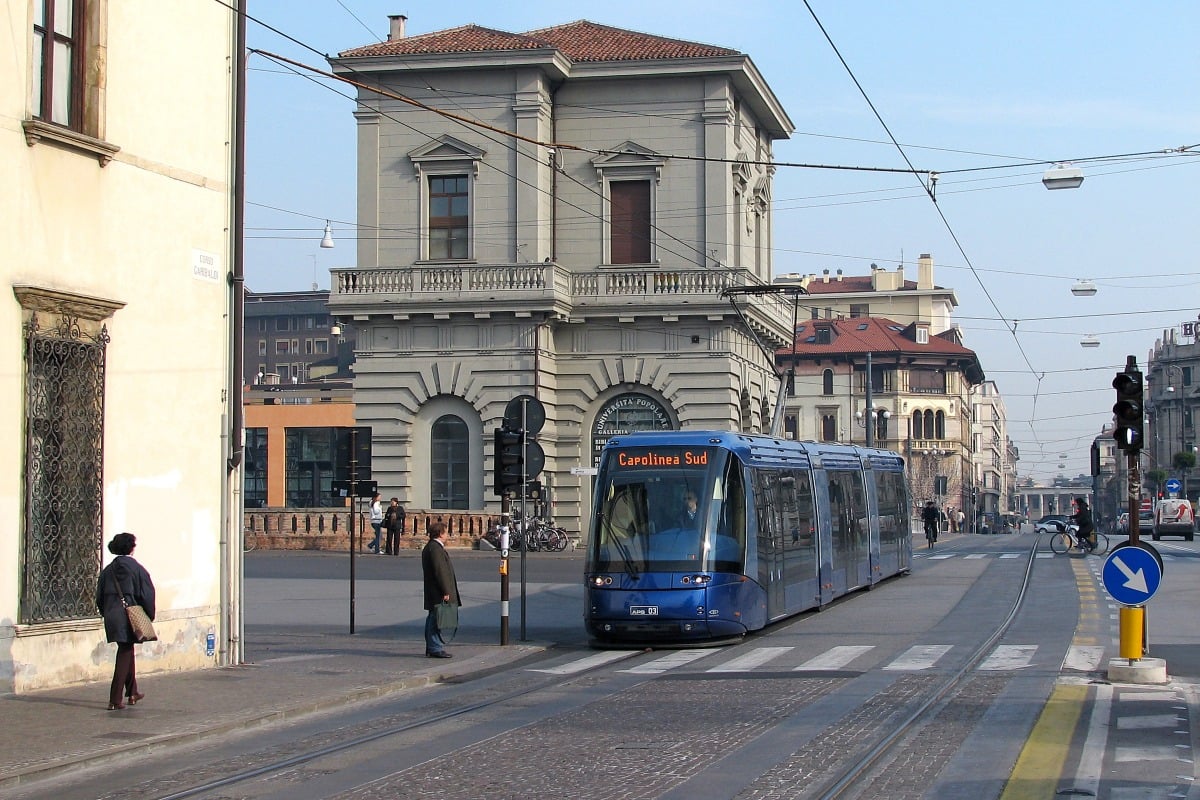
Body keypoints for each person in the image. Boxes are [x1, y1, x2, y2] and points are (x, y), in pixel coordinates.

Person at [95, 532, 156, 710]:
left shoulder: (108, 570)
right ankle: (115, 699)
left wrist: (106, 612)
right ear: (131, 548)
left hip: (111, 614)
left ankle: (133, 692)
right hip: (129, 614)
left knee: (127, 648)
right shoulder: (137, 569)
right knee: (124, 651)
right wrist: (148, 615)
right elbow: (147, 594)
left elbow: (99, 596)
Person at [421, 521, 460, 658]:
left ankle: (432, 646)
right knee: (436, 619)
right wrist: (446, 591)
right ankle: (434, 647)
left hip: (433, 589)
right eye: (446, 532)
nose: (447, 535)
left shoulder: (431, 547)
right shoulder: (436, 549)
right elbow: (440, 571)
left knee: (433, 617)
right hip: (437, 591)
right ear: (440, 534)